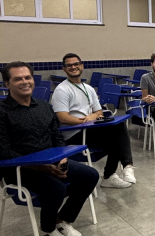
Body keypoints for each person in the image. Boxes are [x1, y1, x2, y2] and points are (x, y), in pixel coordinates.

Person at [0, 61, 100, 236]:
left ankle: (61, 219)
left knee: (90, 175)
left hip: (52, 162)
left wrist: (63, 158)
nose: (25, 82)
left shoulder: (44, 106)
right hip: (19, 169)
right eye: (18, 79)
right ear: (7, 84)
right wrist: (42, 167)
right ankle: (48, 229)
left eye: (27, 77)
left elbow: (57, 137)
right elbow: (1, 152)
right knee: (56, 187)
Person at [51, 53, 134, 188]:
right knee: (117, 135)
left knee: (118, 129)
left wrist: (91, 117)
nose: (73, 67)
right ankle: (118, 170)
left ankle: (123, 169)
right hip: (73, 134)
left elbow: (99, 111)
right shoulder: (62, 90)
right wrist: (84, 122)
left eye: (76, 64)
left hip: (89, 129)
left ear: (82, 66)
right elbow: (63, 117)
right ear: (64, 69)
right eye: (69, 65)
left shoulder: (88, 88)